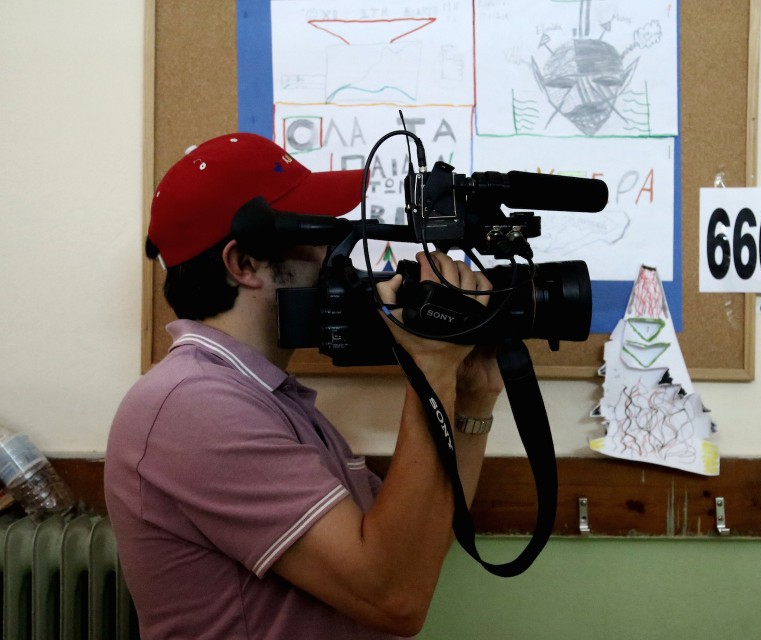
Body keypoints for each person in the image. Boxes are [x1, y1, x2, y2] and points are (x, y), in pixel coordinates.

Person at [104, 133, 503, 639]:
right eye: (320, 234)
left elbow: (416, 550)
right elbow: (394, 597)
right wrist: (429, 368)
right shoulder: (195, 405)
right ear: (244, 264)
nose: (335, 256)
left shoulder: (264, 397)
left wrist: (471, 400)